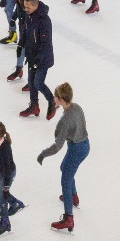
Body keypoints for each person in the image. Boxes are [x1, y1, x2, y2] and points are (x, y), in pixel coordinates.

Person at [40, 83, 89, 232]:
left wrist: (43, 154)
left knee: (65, 180)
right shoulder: (77, 107)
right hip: (85, 144)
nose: (53, 98)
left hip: (76, 149)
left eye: (55, 97)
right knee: (64, 168)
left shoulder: (65, 120)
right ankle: (73, 197)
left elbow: (57, 146)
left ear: (60, 99)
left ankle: (69, 218)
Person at [20, 0, 56, 120]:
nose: (25, 9)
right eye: (24, 7)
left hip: (42, 58)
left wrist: (38, 60)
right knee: (31, 82)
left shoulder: (44, 20)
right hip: (32, 56)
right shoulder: (29, 16)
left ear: (35, 6)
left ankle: (52, 101)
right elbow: (25, 31)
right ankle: (34, 106)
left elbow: (45, 44)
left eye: (28, 7)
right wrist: (21, 44)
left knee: (38, 83)